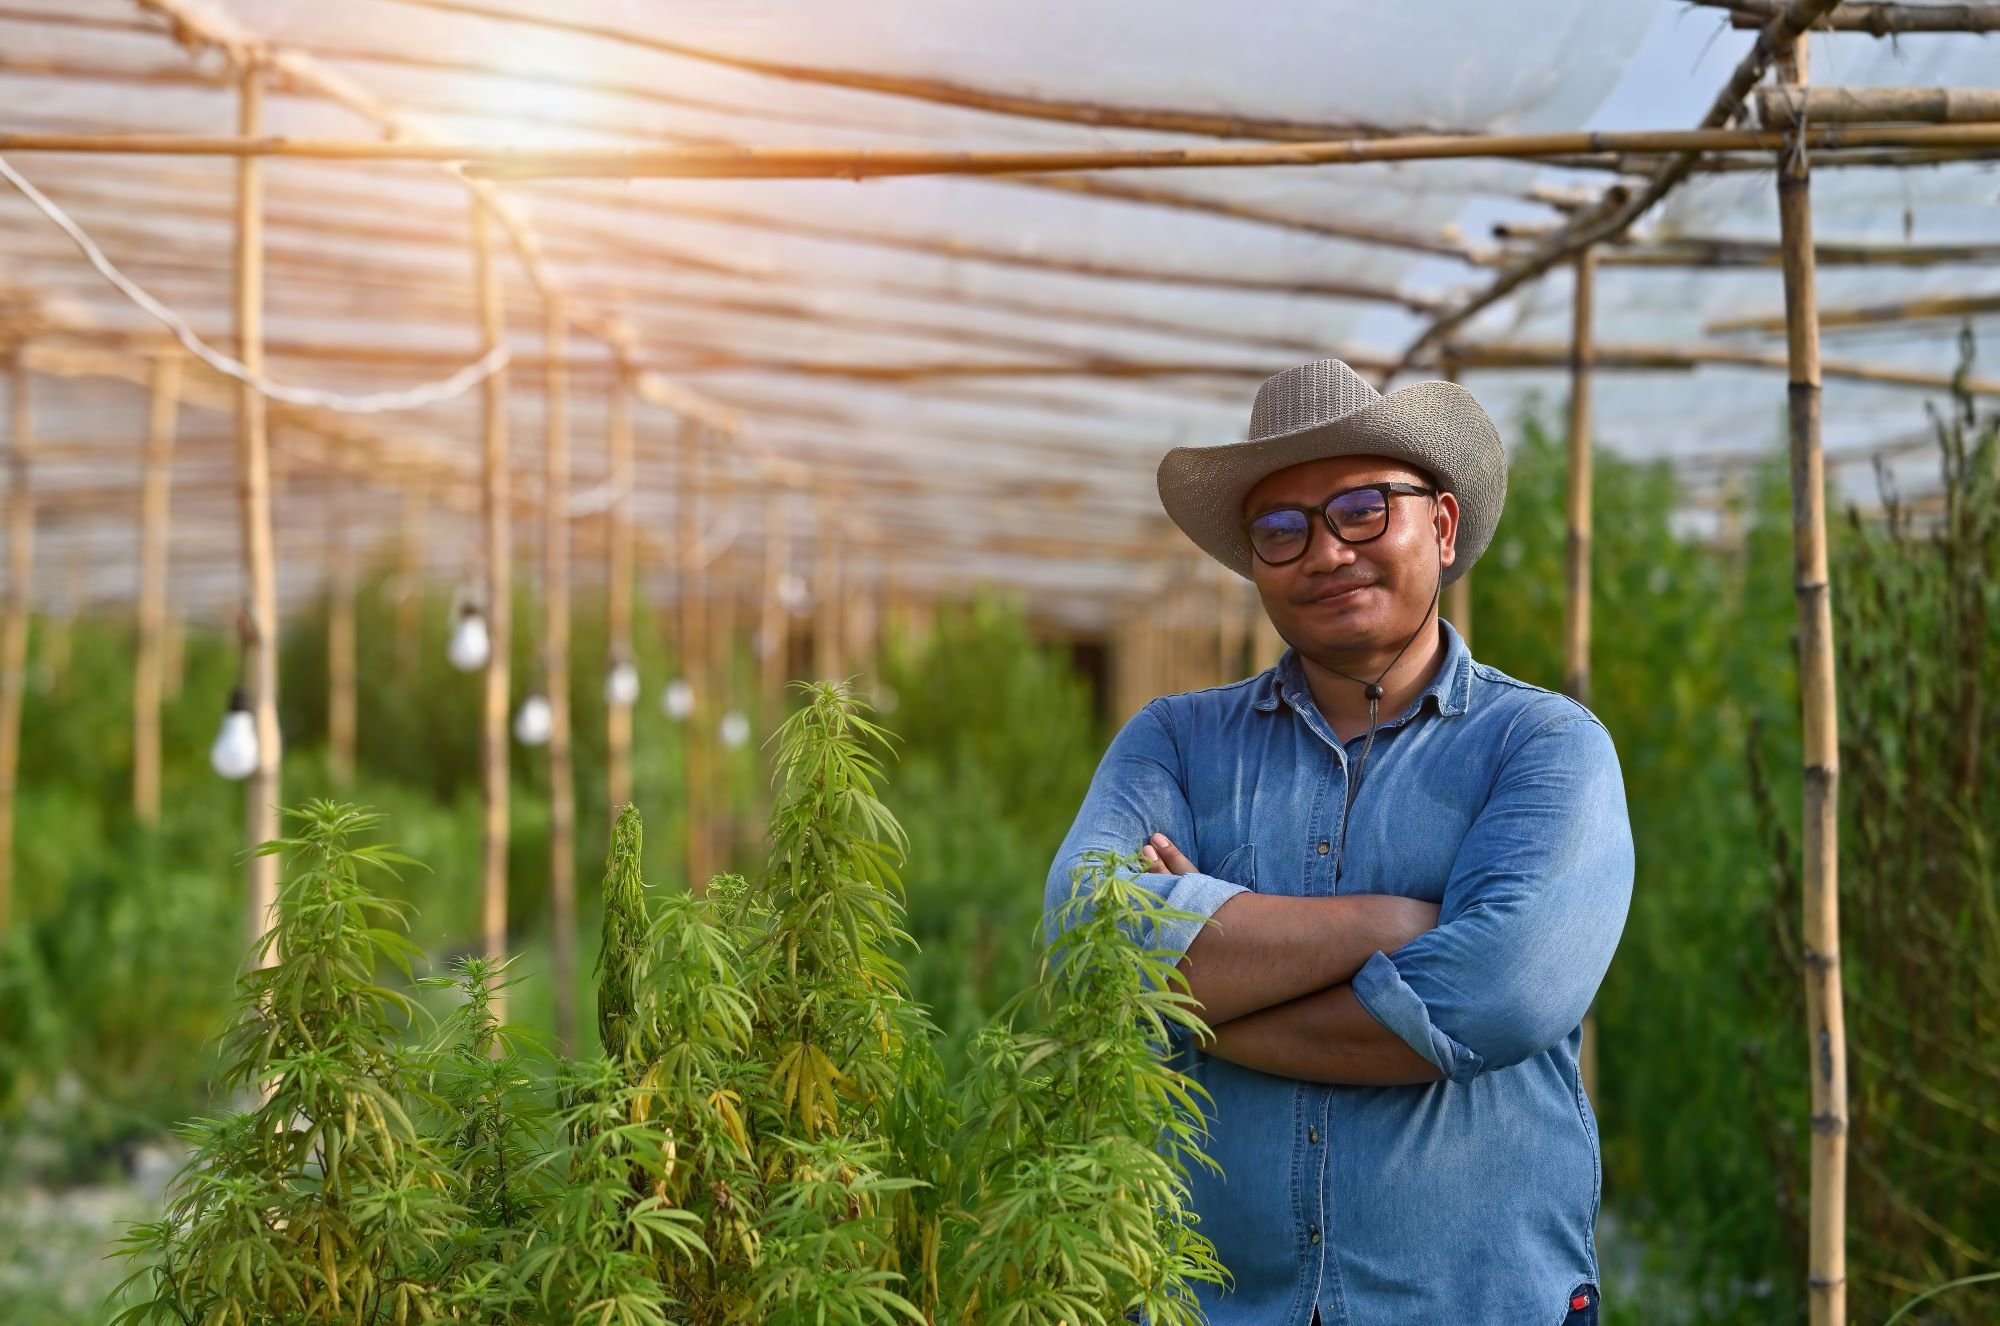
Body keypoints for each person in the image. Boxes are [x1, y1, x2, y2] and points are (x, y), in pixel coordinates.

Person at [1045, 359, 1634, 1325]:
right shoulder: (1175, 743)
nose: (1324, 552)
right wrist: (1392, 925)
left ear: (1440, 527)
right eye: (1281, 529)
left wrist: (1201, 1005)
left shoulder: (1541, 749)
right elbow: (1087, 944)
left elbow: (1497, 992)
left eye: (1363, 509)